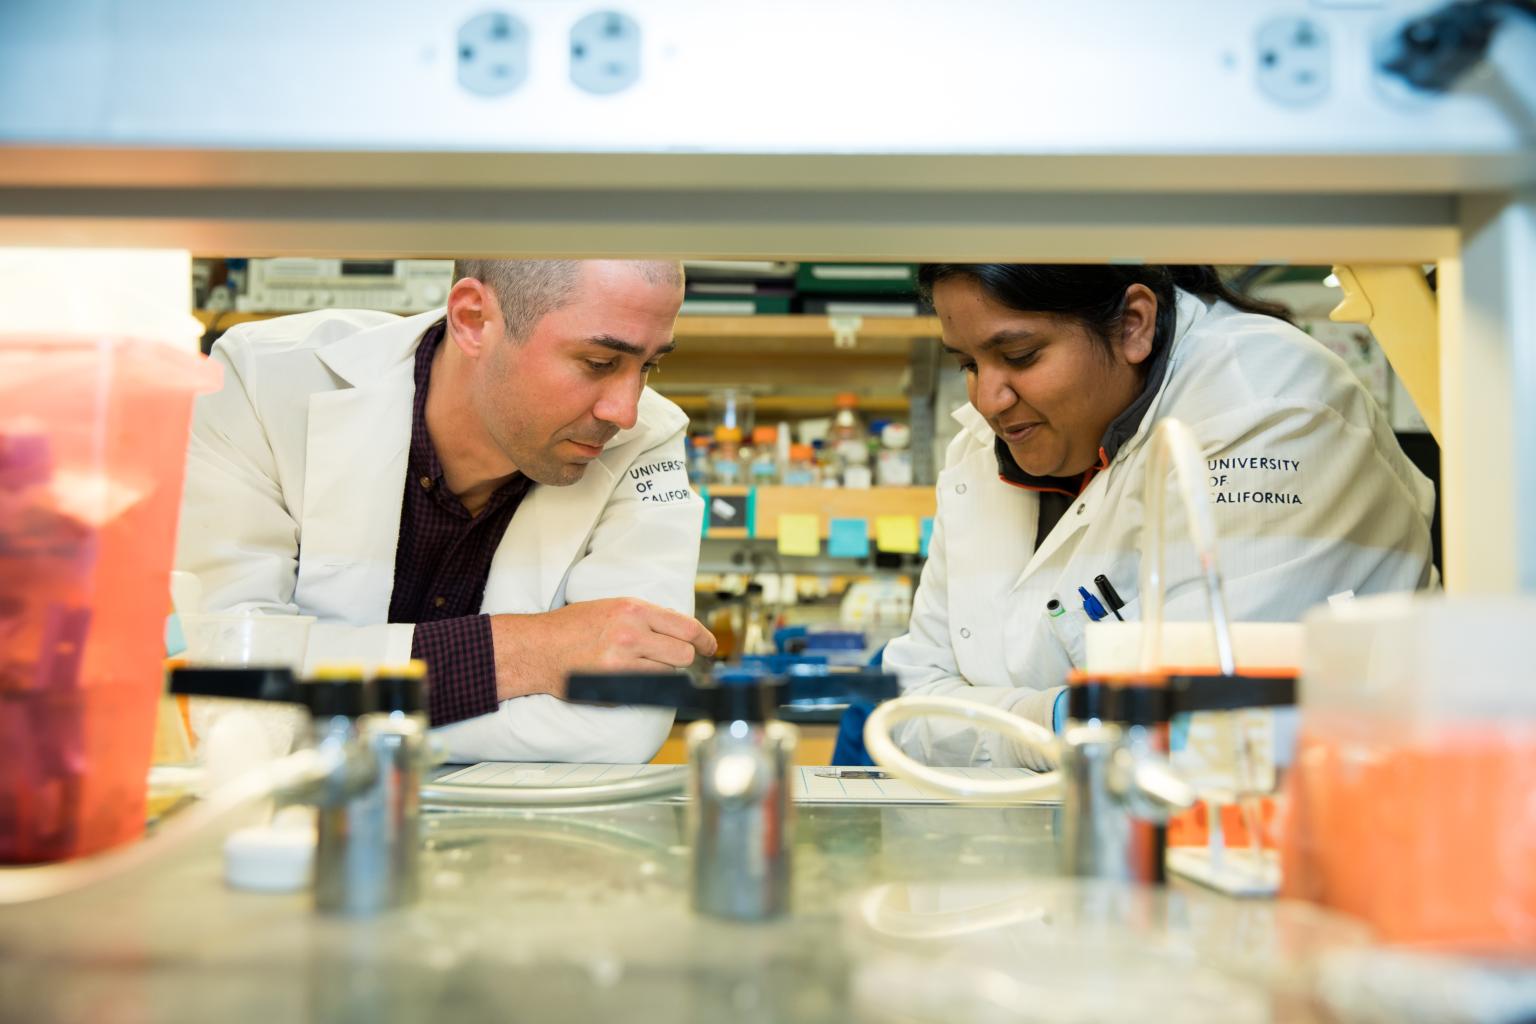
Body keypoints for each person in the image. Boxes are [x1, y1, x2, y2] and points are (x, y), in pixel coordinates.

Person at [883, 264, 1435, 769]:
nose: (988, 400)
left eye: (1021, 355)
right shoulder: (986, 445)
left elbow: (1201, 727)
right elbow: (909, 703)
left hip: (1304, 828)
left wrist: (1010, 721)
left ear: (1132, 325)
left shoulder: (1265, 404)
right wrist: (1058, 720)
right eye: (968, 364)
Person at [176, 259, 716, 763]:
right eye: (598, 362)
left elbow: (625, 723)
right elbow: (223, 686)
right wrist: (525, 650)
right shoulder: (263, 381)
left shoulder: (646, 437)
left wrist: (319, 707)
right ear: (474, 320)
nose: (624, 410)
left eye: (649, 366)